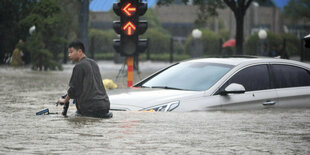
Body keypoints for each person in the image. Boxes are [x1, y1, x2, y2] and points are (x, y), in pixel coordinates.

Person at [58, 40, 112, 118]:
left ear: (80, 51)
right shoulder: (94, 63)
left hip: (89, 109)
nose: (69, 55)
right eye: (68, 53)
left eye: (71, 52)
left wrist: (64, 100)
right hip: (105, 106)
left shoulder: (79, 66)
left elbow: (74, 90)